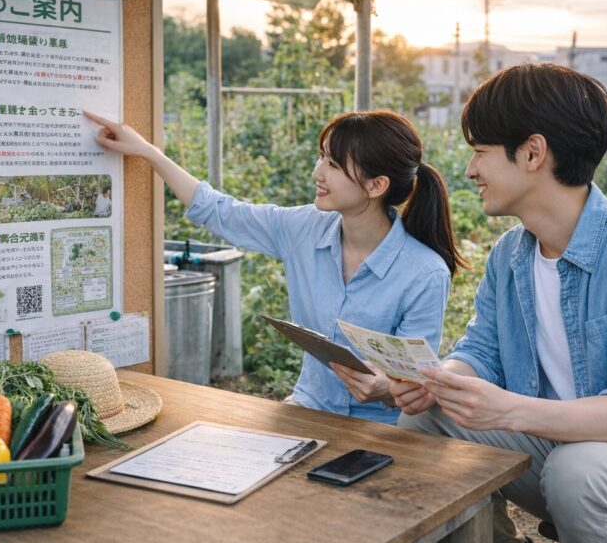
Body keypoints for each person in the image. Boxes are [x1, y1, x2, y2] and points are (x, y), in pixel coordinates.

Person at [389, 63, 607, 543]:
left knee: (580, 470)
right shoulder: (511, 254)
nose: (470, 170)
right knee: (428, 418)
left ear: (532, 153)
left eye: (480, 151)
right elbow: (481, 351)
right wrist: (442, 381)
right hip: (573, 457)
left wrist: (506, 410)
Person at [86, 109, 466, 424]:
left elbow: (414, 384)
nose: (317, 172)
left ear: (376, 185)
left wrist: (385, 388)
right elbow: (220, 211)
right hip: (307, 409)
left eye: (333, 164)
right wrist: (148, 152)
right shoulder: (303, 229)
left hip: (384, 430)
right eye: (322, 157)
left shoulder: (424, 272)